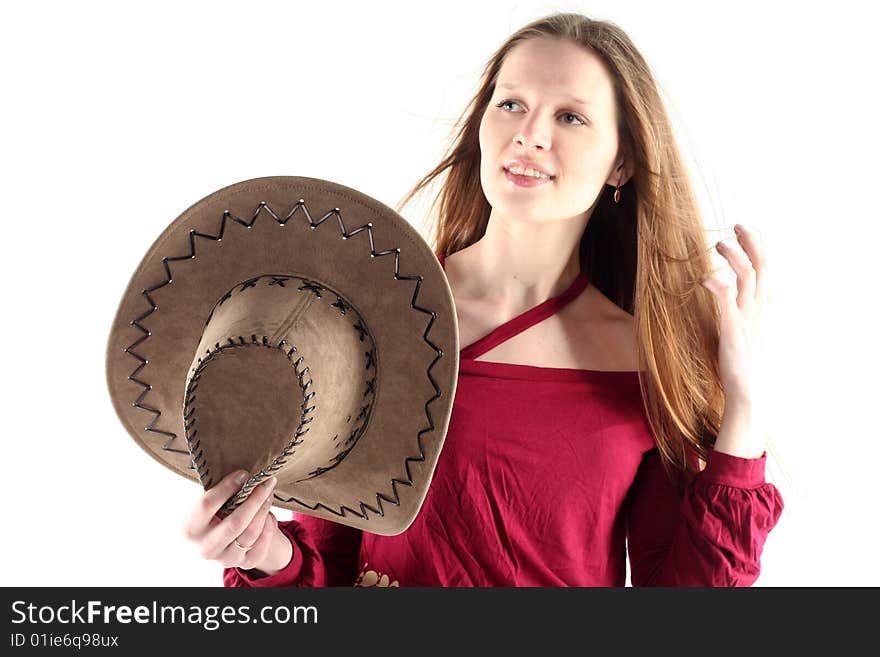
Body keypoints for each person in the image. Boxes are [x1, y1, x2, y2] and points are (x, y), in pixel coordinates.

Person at [183, 12, 784, 586]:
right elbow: (329, 567)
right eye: (512, 104)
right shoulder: (378, 325)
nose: (529, 133)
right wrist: (267, 555)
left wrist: (743, 399)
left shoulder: (647, 359)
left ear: (622, 162)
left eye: (571, 117)